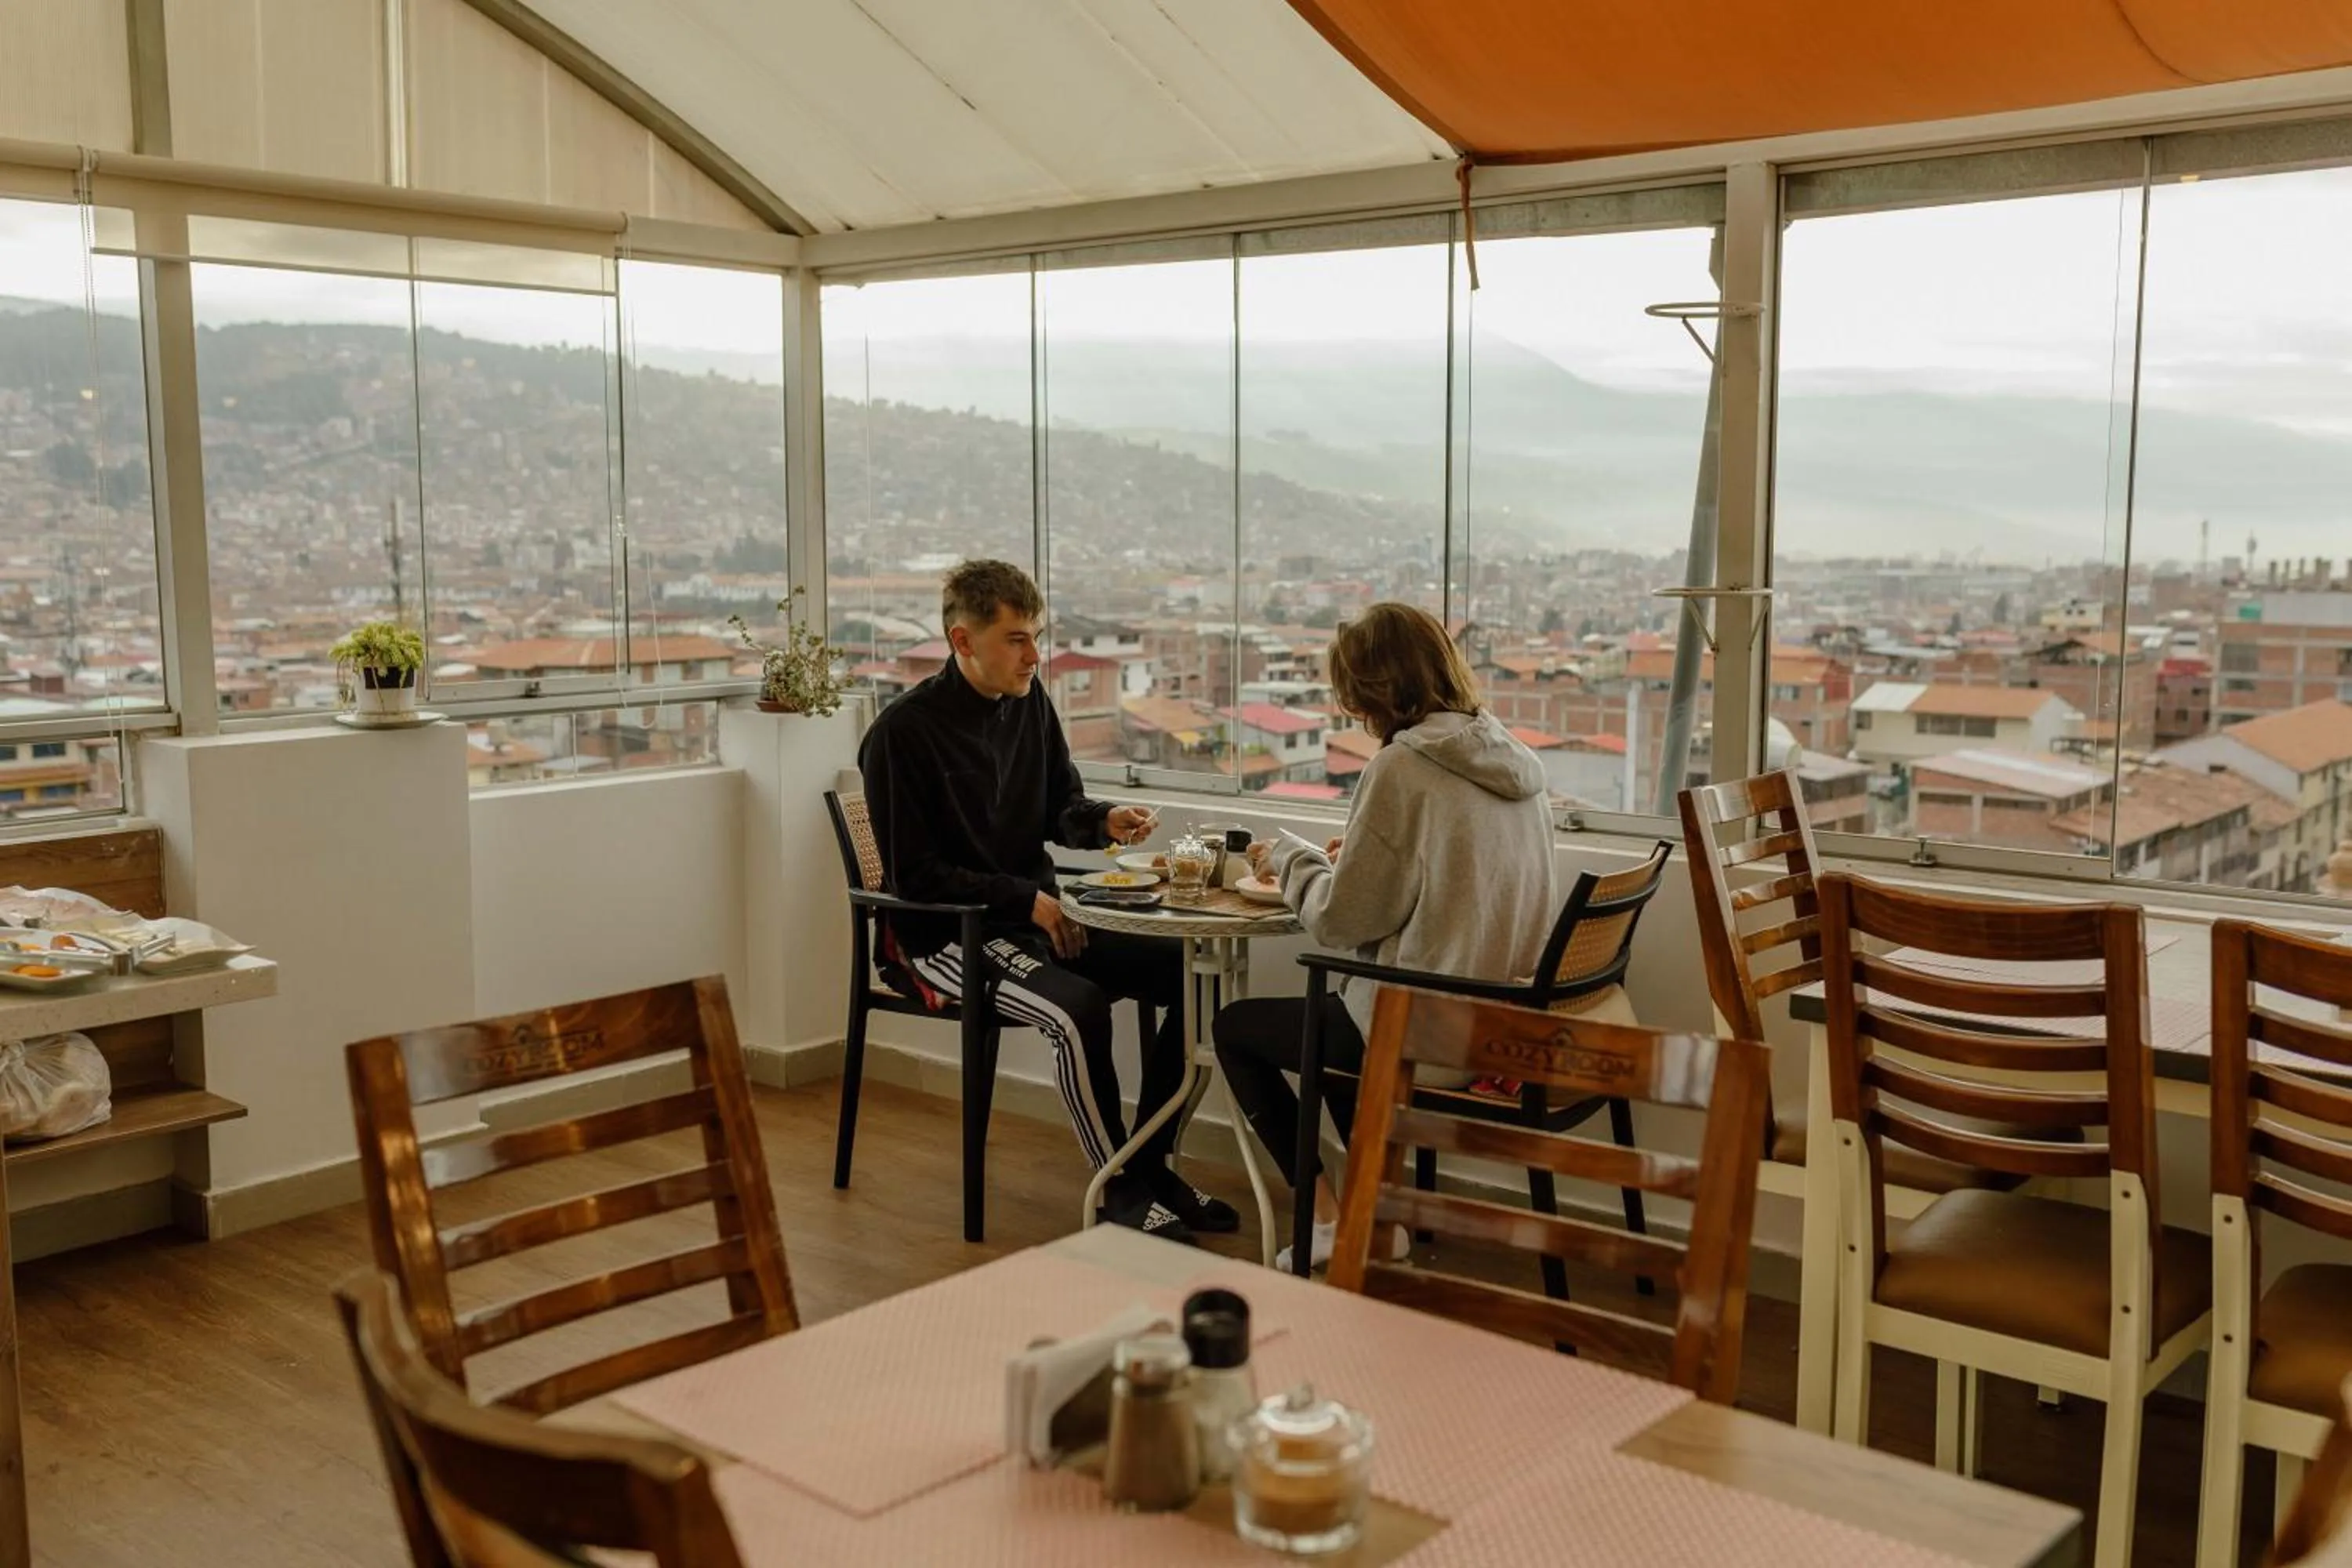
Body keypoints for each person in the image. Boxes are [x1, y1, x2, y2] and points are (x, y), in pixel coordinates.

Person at [858, 559, 1236, 1243]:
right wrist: (1023, 899)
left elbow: (1059, 807)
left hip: (1038, 919)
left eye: (1036, 635)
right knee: (1079, 1010)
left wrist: (1102, 821)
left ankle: (1150, 1163)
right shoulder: (900, 735)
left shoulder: (1032, 703)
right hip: (944, 939)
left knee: (1192, 976)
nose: (1035, 655)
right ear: (962, 641)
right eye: (1016, 639)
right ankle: (1116, 1190)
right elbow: (914, 877)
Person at [1211, 602, 1558, 1271]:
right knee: (1336, 1024)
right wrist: (1356, 859)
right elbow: (1442, 881)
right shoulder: (1508, 756)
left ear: (1373, 691)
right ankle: (1377, 1212)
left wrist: (1289, 857)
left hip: (1427, 1027)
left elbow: (1342, 923)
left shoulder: (1403, 767)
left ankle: (1331, 1219)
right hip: (1501, 1016)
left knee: (1236, 1029)